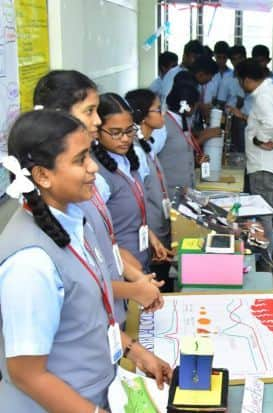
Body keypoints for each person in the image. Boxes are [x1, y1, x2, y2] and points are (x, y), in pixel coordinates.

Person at [0, 110, 171, 412]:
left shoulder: (76, 220)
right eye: (80, 160)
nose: (93, 167)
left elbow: (85, 318)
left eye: (89, 154)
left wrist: (135, 351)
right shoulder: (30, 264)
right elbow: (27, 375)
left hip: (94, 392)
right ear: (42, 175)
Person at [33, 70, 163, 322]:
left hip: (107, 316)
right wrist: (134, 288)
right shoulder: (58, 195)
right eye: (89, 111)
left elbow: (106, 245)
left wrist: (135, 277)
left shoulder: (84, 182)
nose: (96, 121)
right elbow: (81, 280)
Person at [92, 93, 171, 273]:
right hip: (121, 271)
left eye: (129, 131)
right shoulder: (97, 175)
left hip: (141, 262)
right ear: (97, 131)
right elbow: (98, 236)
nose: (125, 138)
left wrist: (151, 237)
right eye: (115, 132)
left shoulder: (129, 161)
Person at [233, 58, 273, 269]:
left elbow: (271, 123)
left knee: (265, 215)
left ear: (247, 80)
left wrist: (260, 140)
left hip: (264, 166)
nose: (240, 84)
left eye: (240, 80)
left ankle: (266, 261)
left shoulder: (262, 97)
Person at [125, 88, 176, 292]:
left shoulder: (147, 145)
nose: (162, 114)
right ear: (143, 116)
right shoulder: (135, 151)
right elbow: (138, 199)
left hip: (158, 228)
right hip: (150, 233)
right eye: (157, 109)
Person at [158, 74, 221, 198]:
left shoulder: (184, 121)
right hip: (170, 192)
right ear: (188, 107)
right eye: (196, 106)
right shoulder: (162, 126)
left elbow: (177, 151)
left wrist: (194, 161)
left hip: (186, 190)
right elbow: (152, 160)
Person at [160, 39, 205, 106]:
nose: (197, 61)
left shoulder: (198, 75)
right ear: (185, 56)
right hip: (174, 115)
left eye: (199, 58)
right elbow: (167, 102)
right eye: (194, 57)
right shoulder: (172, 74)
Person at [204, 41, 233, 106]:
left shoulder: (233, 74)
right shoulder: (208, 74)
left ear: (228, 57)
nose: (221, 61)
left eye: (224, 58)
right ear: (214, 55)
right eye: (219, 57)